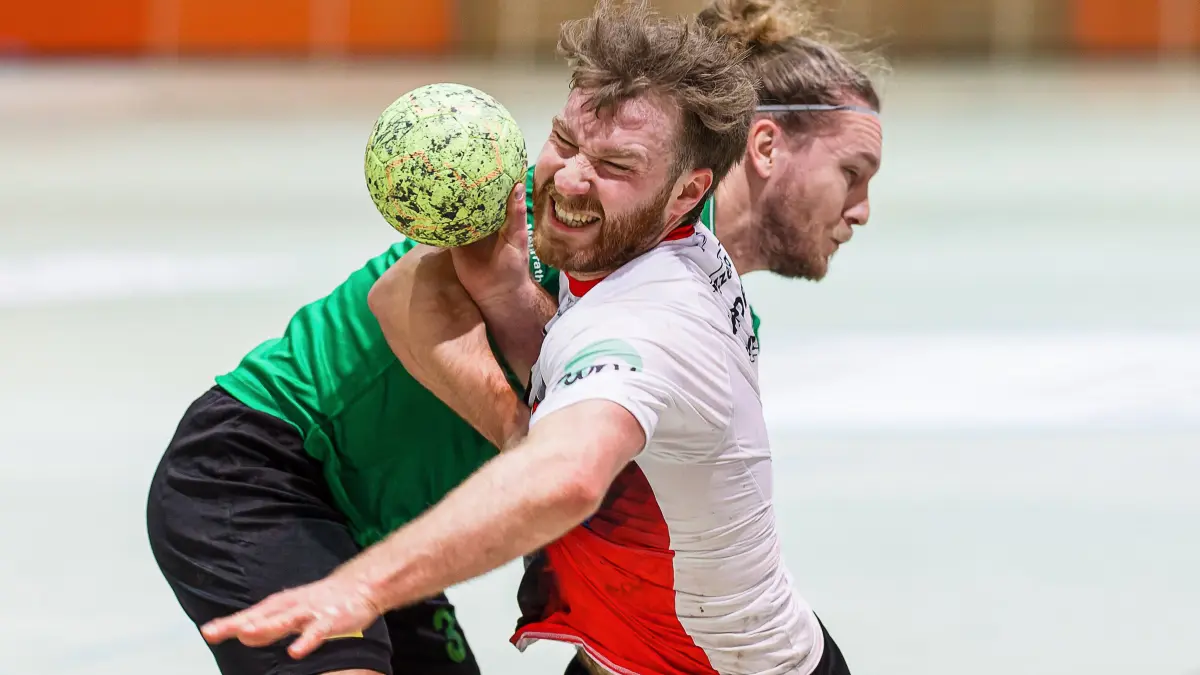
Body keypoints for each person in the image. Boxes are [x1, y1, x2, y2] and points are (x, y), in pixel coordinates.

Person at [199, 1, 885, 675]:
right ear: (762, 147)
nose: (861, 209)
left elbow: (606, 490)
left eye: (616, 163)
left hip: (389, 517)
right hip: (268, 462)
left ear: (687, 189)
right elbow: (403, 297)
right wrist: (515, 421)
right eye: (851, 174)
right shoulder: (566, 218)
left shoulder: (678, 296)